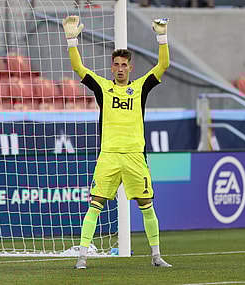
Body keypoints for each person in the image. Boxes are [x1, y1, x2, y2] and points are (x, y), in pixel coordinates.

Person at [62, 15, 172, 269]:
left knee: (146, 206)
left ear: (130, 68)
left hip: (135, 155)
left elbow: (163, 64)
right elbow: (79, 68)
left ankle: (156, 256)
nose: (121, 68)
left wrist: (162, 36)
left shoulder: (141, 87)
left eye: (124, 64)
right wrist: (71, 40)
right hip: (109, 155)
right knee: (95, 205)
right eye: (116, 64)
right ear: (111, 67)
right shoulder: (102, 87)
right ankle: (82, 258)